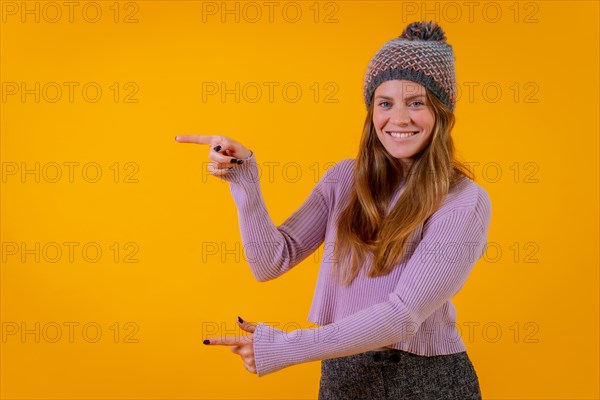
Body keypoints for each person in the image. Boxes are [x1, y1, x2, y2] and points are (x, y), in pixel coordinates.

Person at [176, 20, 491, 400]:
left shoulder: (464, 199)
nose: (400, 118)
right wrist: (245, 180)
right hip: (344, 375)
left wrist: (285, 347)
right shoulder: (344, 178)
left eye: (417, 103)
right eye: (385, 103)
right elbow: (271, 261)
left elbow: (402, 316)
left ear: (441, 113)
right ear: (371, 110)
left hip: (425, 382)